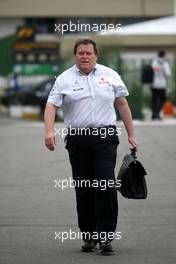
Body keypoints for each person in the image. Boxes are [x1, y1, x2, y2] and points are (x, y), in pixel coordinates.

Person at [44, 38, 138, 254]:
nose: (85, 56)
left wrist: (132, 134)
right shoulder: (64, 79)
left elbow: (122, 103)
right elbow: (51, 105)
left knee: (105, 184)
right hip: (78, 140)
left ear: (96, 55)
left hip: (105, 138)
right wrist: (49, 130)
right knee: (84, 188)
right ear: (75, 56)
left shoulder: (110, 75)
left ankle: (105, 237)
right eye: (80, 53)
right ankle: (89, 236)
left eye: (88, 53)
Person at [151, 50, 171, 120]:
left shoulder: (154, 62)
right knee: (162, 100)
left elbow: (151, 71)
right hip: (162, 85)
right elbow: (168, 74)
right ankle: (158, 113)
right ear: (164, 55)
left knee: (154, 100)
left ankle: (154, 114)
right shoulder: (165, 63)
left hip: (154, 84)